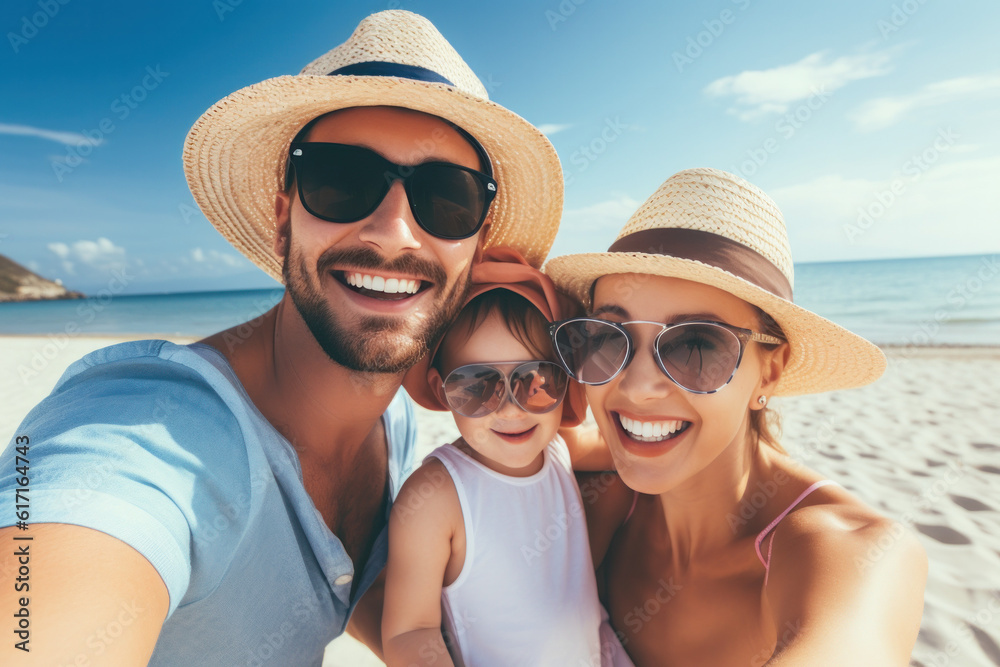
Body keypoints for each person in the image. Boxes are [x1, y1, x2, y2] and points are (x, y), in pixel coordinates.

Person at [0, 10, 564, 665]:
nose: (393, 231)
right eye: (341, 180)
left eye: (446, 198)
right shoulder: (147, 434)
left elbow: (345, 583)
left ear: (476, 245)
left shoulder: (395, 425)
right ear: (281, 218)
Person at [544, 168, 928, 666]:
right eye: (609, 337)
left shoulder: (853, 550)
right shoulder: (594, 493)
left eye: (697, 345)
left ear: (769, 372)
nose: (636, 387)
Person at [385, 247, 633, 666]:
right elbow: (410, 631)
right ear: (442, 389)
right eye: (477, 386)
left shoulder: (558, 449)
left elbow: (629, 452)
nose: (510, 409)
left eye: (536, 381)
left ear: (566, 378)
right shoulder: (435, 498)